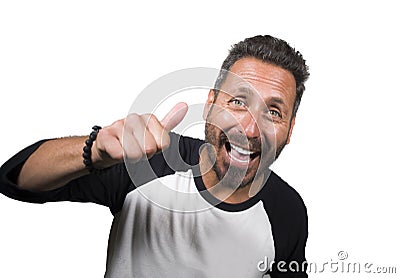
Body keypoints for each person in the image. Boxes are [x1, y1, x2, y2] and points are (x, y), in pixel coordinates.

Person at [0, 35, 310, 277]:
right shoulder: (149, 159)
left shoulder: (288, 211)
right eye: (238, 102)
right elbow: (16, 179)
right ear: (211, 104)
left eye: (273, 112)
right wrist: (94, 151)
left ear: (290, 129)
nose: (250, 128)